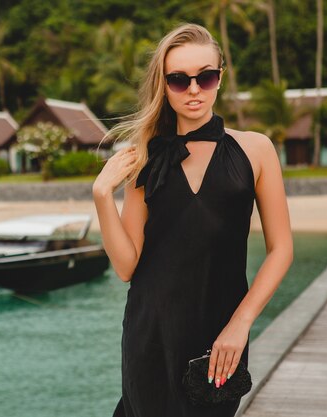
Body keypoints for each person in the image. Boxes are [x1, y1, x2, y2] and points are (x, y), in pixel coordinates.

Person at [92, 23, 294, 417]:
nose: (194, 89)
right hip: (151, 337)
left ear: (220, 76)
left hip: (221, 338)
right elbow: (126, 266)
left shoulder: (256, 150)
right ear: (164, 85)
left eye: (206, 76)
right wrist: (102, 195)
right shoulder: (146, 157)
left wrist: (241, 324)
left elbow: (281, 248)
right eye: (179, 80)